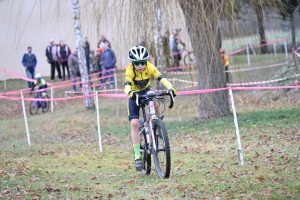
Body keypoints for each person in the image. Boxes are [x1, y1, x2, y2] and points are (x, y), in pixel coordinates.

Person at [124, 45, 177, 171]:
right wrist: (131, 93)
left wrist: (170, 87)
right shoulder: (129, 70)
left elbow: (161, 77)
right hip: (134, 94)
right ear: (133, 63)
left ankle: (156, 120)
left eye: (143, 62)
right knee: (135, 124)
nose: (140, 65)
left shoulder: (150, 66)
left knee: (153, 95)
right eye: (137, 63)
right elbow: (126, 86)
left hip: (146, 90)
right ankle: (137, 155)